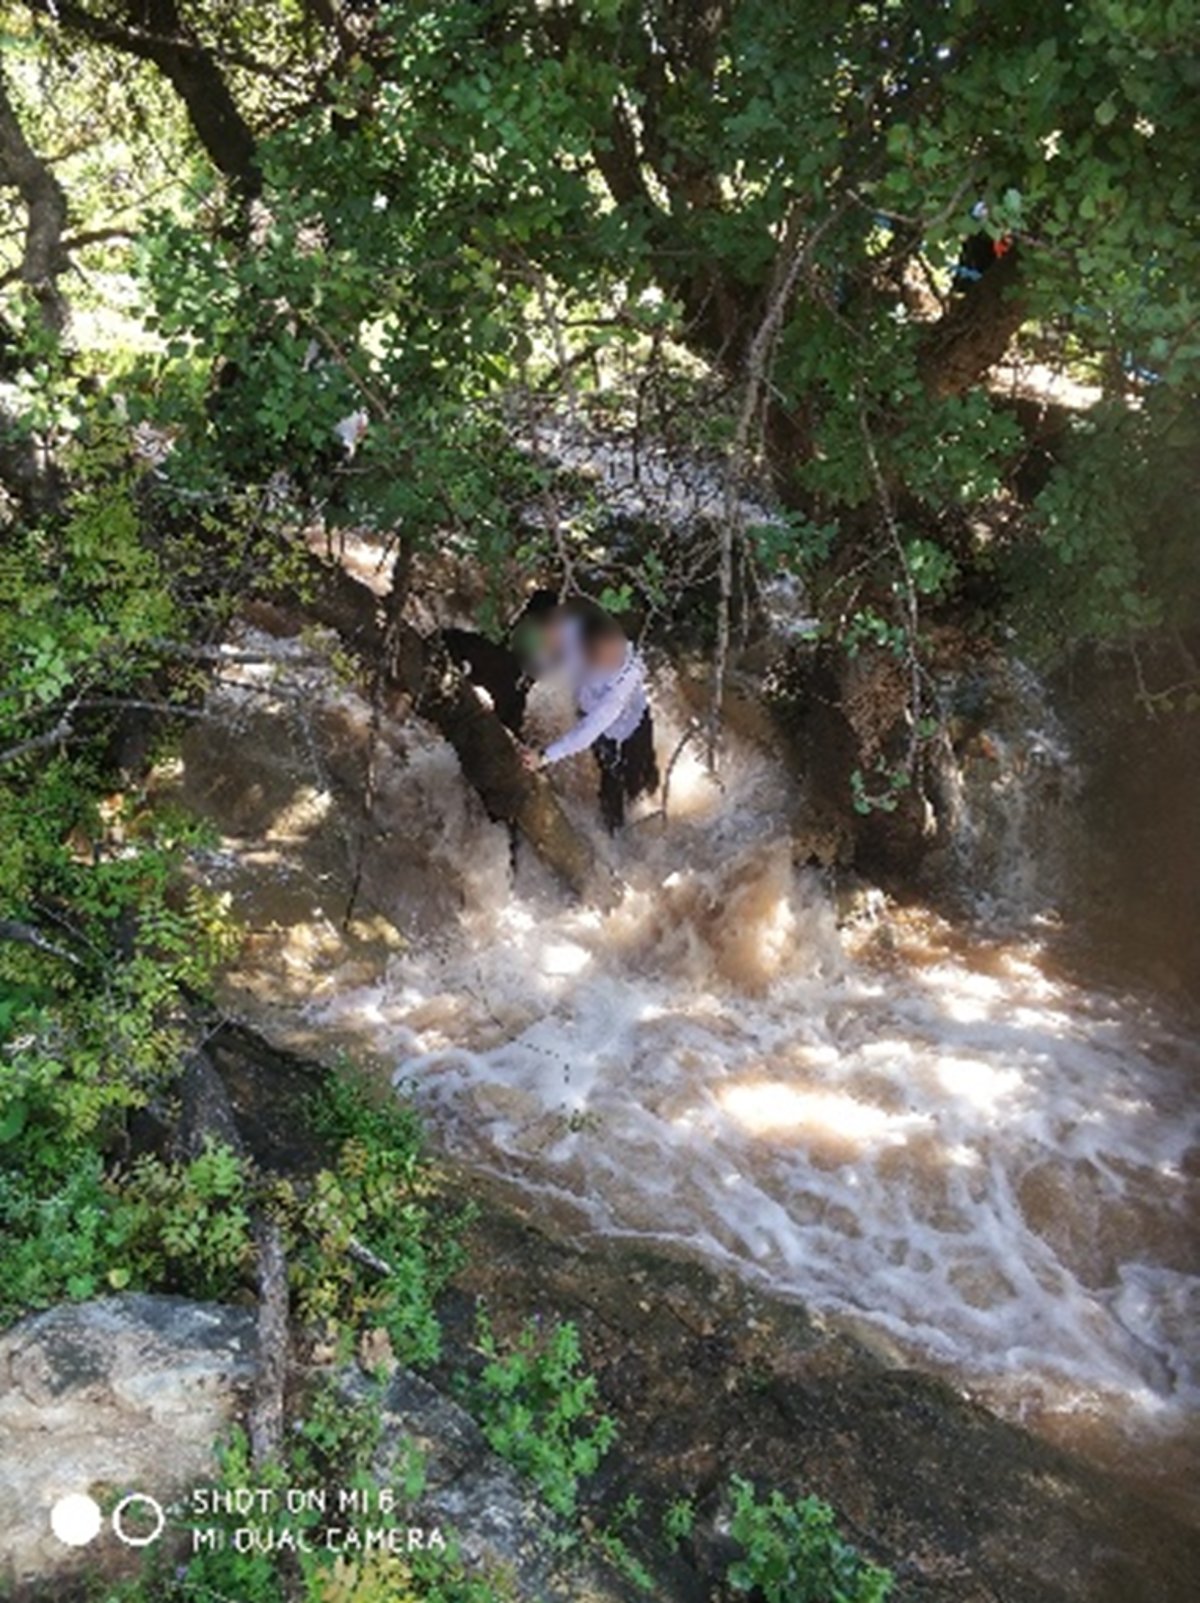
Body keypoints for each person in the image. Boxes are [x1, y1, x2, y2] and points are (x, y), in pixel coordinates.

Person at [521, 607, 659, 832]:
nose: (619, 659)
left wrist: (545, 756)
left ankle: (649, 806)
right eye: (610, 657)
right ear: (587, 652)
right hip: (591, 714)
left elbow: (593, 727)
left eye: (619, 651)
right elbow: (542, 645)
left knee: (640, 772)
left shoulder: (629, 672)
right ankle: (615, 835)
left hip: (631, 722)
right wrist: (542, 652)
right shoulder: (572, 632)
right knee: (610, 779)